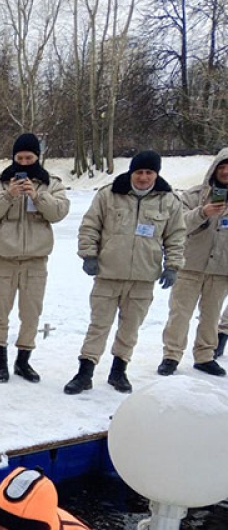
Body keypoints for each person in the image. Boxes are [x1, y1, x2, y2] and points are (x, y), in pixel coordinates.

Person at [64, 150, 185, 395]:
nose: (143, 177)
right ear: (131, 172)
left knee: (130, 328)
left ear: (156, 174)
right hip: (108, 273)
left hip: (143, 277)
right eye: (138, 172)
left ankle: (119, 370)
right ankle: (85, 371)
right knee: (99, 325)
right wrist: (88, 254)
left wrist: (172, 266)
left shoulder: (169, 201)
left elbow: (176, 237)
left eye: (148, 172)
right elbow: (90, 226)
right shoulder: (109, 195)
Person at [0, 133, 70, 383]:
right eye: (19, 158)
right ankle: (0, 361)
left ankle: (23, 361)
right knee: (0, 312)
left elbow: (58, 213)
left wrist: (37, 196)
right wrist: (8, 195)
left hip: (35, 260)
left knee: (31, 314)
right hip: (3, 259)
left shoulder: (51, 184)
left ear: (37, 158)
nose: (24, 162)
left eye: (29, 158)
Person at [156, 148, 228, 377]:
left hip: (221, 270)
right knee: (180, 314)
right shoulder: (193, 195)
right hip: (190, 266)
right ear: (214, 169)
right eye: (222, 167)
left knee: (211, 316)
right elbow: (178, 225)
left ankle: (205, 356)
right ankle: (171, 355)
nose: (226, 172)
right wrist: (203, 213)